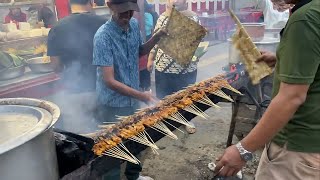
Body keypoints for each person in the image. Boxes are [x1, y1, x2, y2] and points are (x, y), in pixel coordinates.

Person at [214, 0, 320, 179]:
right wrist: (282, 58)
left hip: (295, 148)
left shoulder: (305, 19)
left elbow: (291, 98)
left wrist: (243, 149)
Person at [93, 0, 167, 179]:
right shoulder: (103, 36)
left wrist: (155, 38)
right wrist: (142, 95)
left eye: (130, 12)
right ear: (111, 7)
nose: (127, 17)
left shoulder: (133, 24)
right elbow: (109, 81)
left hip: (133, 98)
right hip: (113, 103)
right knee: (112, 149)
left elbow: (139, 51)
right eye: (122, 12)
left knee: (137, 139)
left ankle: (134, 176)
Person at [46, 0, 107, 133]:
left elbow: (55, 66)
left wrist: (66, 73)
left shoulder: (58, 27)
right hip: (104, 89)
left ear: (70, 4)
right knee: (107, 134)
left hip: (75, 93)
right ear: (90, 2)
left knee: (80, 138)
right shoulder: (105, 23)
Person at [147, 0, 201, 99]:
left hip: (187, 70)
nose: (175, 1)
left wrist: (198, 53)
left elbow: (198, 42)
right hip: (164, 69)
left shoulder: (194, 17)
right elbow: (156, 40)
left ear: (185, 2)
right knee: (164, 104)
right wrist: (150, 58)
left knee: (185, 103)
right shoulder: (163, 17)